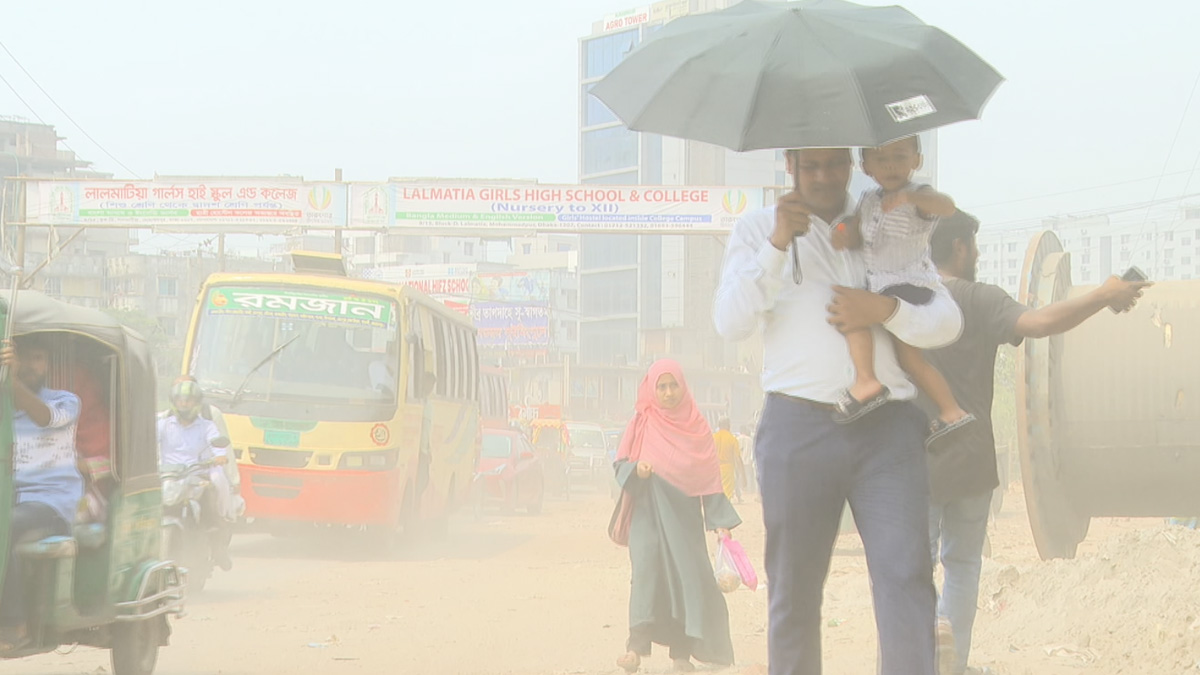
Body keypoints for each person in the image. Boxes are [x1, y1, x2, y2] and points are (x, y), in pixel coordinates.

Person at [714, 147, 963, 675]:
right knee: (794, 589)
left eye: (833, 163)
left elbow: (946, 321)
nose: (823, 176)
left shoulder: (883, 220)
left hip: (888, 433)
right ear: (790, 166)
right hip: (796, 430)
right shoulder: (758, 229)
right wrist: (780, 244)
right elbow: (730, 322)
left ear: (853, 164)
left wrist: (887, 310)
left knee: (906, 578)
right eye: (810, 166)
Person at [917, 211, 1150, 675]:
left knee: (911, 568)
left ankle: (915, 654)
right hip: (970, 456)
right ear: (960, 247)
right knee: (962, 563)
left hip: (913, 457)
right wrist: (1103, 294)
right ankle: (952, 661)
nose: (979, 256)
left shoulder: (906, 302)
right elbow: (1041, 323)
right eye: (975, 247)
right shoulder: (980, 299)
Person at [831, 137, 973, 448]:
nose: (891, 165)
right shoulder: (868, 198)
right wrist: (843, 231)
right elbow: (856, 232)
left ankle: (866, 381)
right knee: (911, 359)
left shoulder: (919, 196)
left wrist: (910, 198)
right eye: (881, 160)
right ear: (866, 167)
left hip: (907, 285)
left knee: (853, 315)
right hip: (883, 285)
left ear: (916, 160)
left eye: (899, 156)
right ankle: (951, 410)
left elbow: (946, 206)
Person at [610, 359, 741, 674]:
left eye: (673, 386)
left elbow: (708, 478)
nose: (668, 393)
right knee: (645, 574)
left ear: (683, 387)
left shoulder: (697, 427)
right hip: (648, 513)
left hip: (684, 519)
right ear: (652, 389)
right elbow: (620, 465)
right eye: (662, 387)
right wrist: (637, 469)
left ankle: (682, 655)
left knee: (686, 581)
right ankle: (634, 650)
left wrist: (720, 522)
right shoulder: (642, 422)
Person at [0, 336, 83, 652]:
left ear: (47, 365)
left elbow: (44, 417)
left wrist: (12, 380)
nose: (32, 366)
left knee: (5, 526)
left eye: (38, 359)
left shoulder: (65, 401)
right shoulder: (4, 406)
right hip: (9, 499)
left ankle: (13, 624)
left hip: (51, 502)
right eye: (25, 358)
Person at [157, 376, 234, 571]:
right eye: (181, 401)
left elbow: (216, 443)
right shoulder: (163, 424)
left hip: (198, 473)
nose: (184, 404)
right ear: (174, 402)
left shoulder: (206, 425)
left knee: (217, 485)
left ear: (197, 403)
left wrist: (219, 456)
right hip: (168, 475)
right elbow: (148, 439)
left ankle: (219, 540)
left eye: (188, 401)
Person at [712, 417, 744, 503]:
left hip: (714, 469)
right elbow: (737, 458)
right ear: (728, 425)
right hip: (728, 469)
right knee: (726, 494)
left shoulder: (713, 437)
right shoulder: (732, 439)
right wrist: (743, 474)